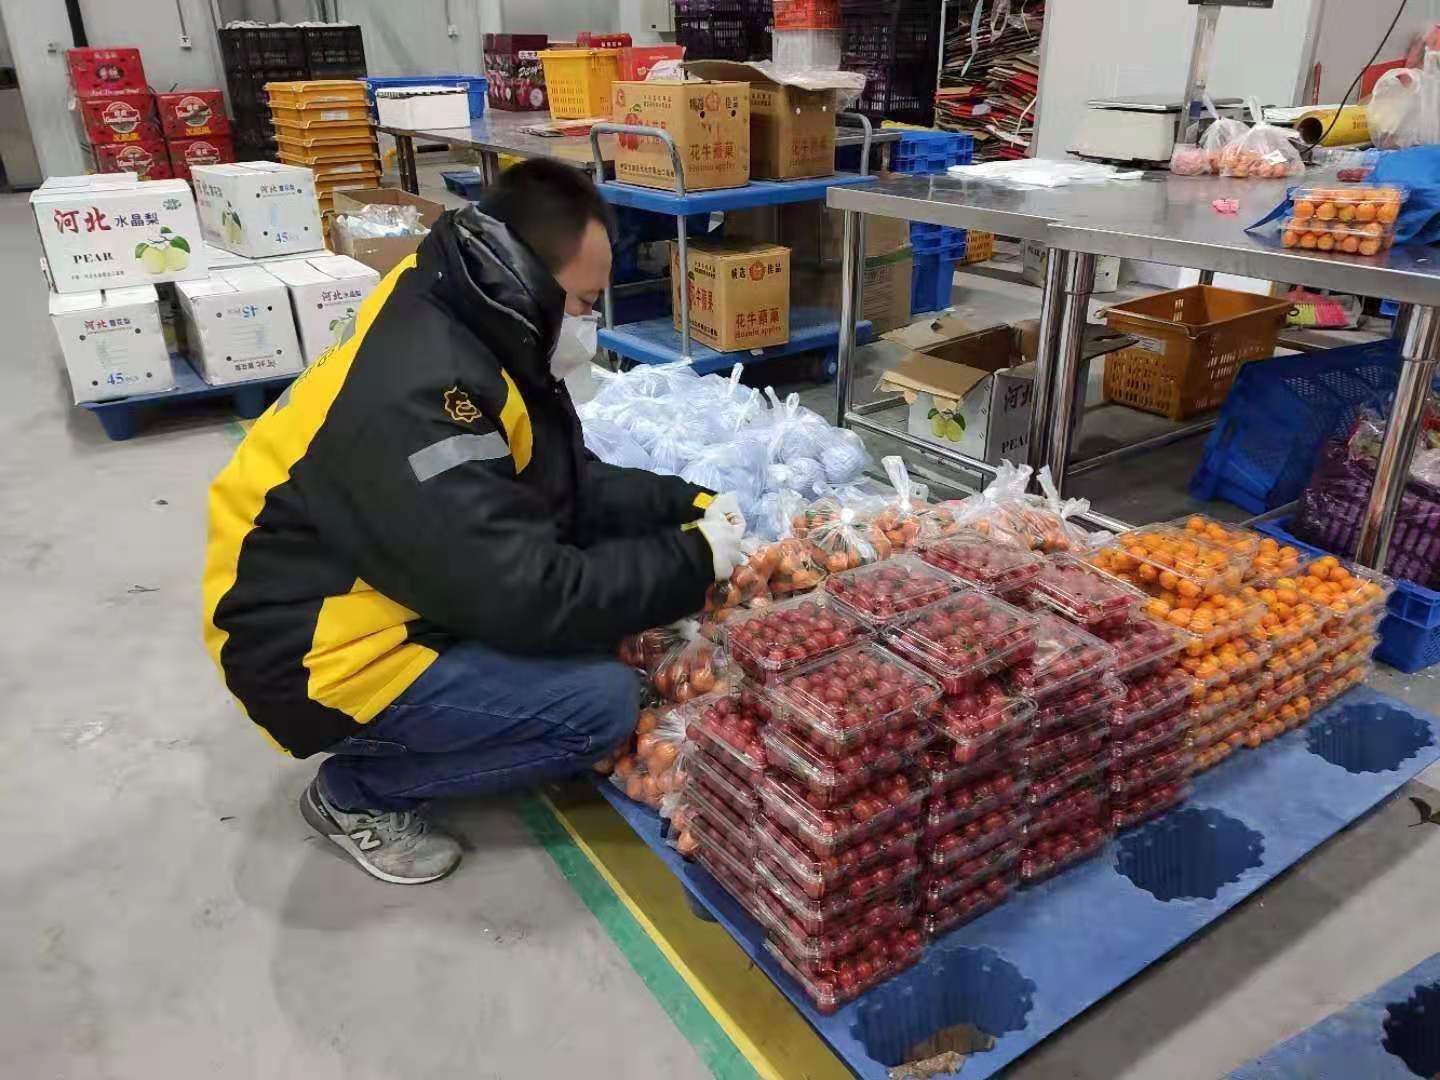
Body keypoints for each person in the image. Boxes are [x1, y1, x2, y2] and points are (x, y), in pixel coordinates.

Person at [202, 160, 746, 885]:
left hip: (389, 582)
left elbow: (561, 485)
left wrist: (687, 506)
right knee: (600, 705)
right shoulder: (419, 394)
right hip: (308, 651)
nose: (589, 324)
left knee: (605, 622)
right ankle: (357, 794)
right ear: (530, 278)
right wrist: (692, 561)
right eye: (585, 303)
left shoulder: (473, 313)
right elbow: (526, 594)